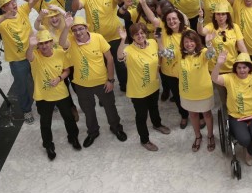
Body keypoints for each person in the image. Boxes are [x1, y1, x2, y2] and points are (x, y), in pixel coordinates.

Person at [63, 14, 127, 146]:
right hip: (82, 85)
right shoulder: (70, 40)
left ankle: (116, 128)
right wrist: (67, 27)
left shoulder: (98, 38)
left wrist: (110, 80)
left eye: (80, 29)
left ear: (86, 28)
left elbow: (109, 59)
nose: (78, 32)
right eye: (74, 30)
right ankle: (93, 132)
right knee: (88, 110)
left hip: (102, 82)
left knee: (110, 107)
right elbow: (61, 43)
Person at [212, 50, 252, 166]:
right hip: (236, 116)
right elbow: (214, 78)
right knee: (244, 139)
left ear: (249, 68)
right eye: (239, 67)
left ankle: (249, 152)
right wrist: (219, 64)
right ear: (235, 68)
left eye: (244, 67)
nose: (242, 70)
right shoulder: (229, 78)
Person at [25, 30, 80, 160]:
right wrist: (31, 45)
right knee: (45, 123)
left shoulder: (60, 53)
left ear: (51, 43)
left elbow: (67, 70)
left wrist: (60, 78)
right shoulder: (35, 55)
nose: (44, 46)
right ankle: (48, 145)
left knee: (69, 118)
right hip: (43, 96)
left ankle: (73, 137)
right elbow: (28, 56)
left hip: (61, 93)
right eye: (41, 43)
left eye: (47, 42)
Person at [118, 23, 172, 151]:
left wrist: (158, 31)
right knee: (141, 115)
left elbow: (163, 52)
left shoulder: (152, 42)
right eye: (136, 34)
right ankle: (145, 139)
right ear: (132, 37)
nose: (140, 36)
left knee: (154, 108)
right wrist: (122, 39)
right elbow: (120, 57)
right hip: (138, 91)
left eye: (142, 33)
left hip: (153, 85)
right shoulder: (128, 49)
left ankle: (157, 124)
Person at [0, 0, 39, 122]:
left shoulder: (22, 10)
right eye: (8, 4)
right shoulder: (2, 22)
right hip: (17, 61)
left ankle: (44, 101)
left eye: (13, 1)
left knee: (39, 79)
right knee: (22, 87)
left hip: (33, 54)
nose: (13, 5)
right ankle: (26, 110)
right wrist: (5, 17)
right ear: (3, 8)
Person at [179, 29, 217, 152]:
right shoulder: (179, 54)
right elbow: (164, 53)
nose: (189, 44)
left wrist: (209, 43)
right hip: (187, 93)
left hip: (203, 92)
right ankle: (198, 136)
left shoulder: (203, 52)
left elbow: (211, 54)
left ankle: (210, 136)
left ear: (196, 42)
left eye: (191, 41)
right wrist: (158, 39)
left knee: (206, 114)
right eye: (186, 42)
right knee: (193, 114)